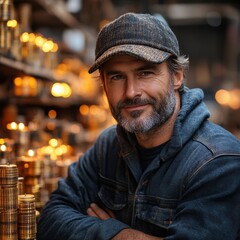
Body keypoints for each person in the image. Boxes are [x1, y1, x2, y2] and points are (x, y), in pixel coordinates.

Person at [37, 13, 240, 240]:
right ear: (103, 85)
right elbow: (50, 218)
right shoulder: (108, 146)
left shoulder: (218, 161)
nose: (131, 92)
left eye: (145, 72)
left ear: (177, 77)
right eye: (116, 77)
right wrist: (121, 233)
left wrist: (106, 230)